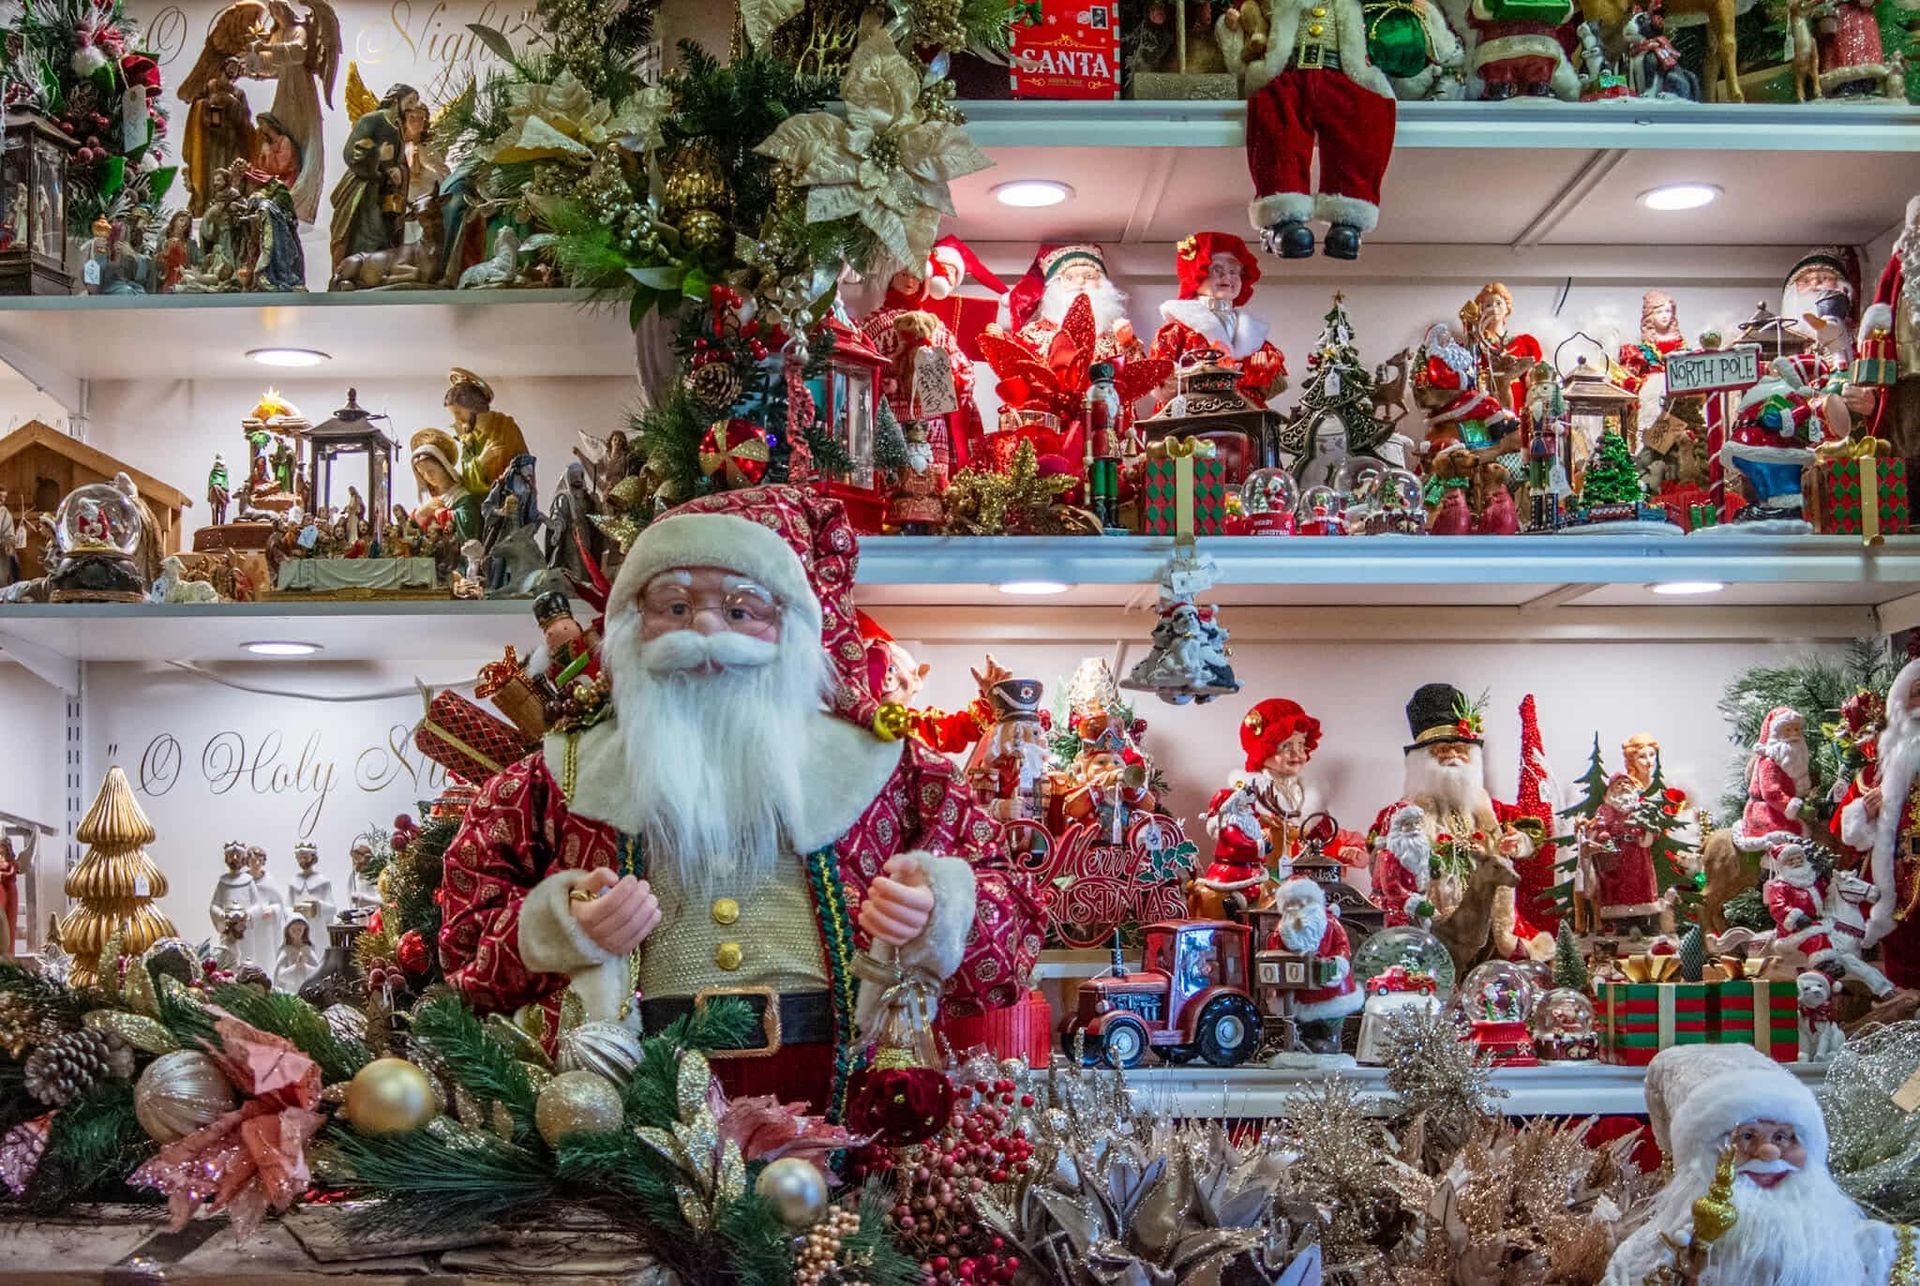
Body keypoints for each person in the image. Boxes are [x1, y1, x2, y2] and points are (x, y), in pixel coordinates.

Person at [437, 486, 1043, 1114]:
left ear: (793, 627)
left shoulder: (890, 765)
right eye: (673, 605)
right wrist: (562, 928)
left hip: (850, 1114)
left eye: (741, 609)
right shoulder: (558, 774)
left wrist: (935, 913)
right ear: (629, 627)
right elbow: (463, 940)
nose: (703, 628)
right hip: (629, 1122)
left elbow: (1016, 916)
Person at [1602, 1044, 1904, 1285]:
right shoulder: (1647, 1259)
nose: (1770, 1152)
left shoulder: (1876, 1251)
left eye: (1784, 1137)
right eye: (1747, 1137)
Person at [1840, 657, 1920, 988]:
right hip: (1898, 887)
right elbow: (1843, 833)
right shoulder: (1874, 775)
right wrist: (1864, 813)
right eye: (1916, 694)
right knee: (1903, 965)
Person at [1149, 231, 1289, 406]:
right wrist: (1202, 373)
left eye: (1234, 271)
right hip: (1194, 421)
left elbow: (1276, 385)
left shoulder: (1253, 334)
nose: (1227, 277)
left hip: (1247, 419)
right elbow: (1158, 382)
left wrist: (1262, 372)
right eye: (1217, 269)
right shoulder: (1177, 330)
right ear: (1197, 273)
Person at [1266, 877, 1361, 1054]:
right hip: (1298, 988)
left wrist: (1337, 963)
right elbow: (1274, 949)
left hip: (1331, 987)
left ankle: (1332, 1040)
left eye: (1305, 901)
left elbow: (1342, 946)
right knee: (1303, 1022)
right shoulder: (1282, 930)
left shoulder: (1331, 923)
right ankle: (1306, 1042)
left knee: (1331, 1019)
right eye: (1295, 903)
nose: (1301, 907)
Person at [1004, 243, 1144, 363]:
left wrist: (1128, 343)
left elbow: (1138, 376)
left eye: (1089, 276)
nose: (1080, 282)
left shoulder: (1117, 335)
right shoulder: (1033, 335)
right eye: (1070, 277)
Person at [329, 82, 416, 270]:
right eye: (410, 101)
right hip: (363, 190)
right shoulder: (372, 120)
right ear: (395, 99)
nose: (412, 107)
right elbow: (350, 153)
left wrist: (398, 171)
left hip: (384, 193)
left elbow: (399, 162)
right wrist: (377, 155)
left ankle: (372, 275)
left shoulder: (398, 129)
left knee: (384, 237)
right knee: (365, 234)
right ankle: (351, 274)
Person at [1736, 706, 1813, 852]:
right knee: (1786, 840)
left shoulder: (1795, 759)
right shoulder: (1769, 761)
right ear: (1776, 734)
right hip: (1766, 812)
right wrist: (1796, 807)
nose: (1794, 735)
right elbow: (1771, 793)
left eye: (1797, 730)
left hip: (1783, 811)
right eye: (1788, 730)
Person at [274, 914, 321, 993]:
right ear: (288, 931)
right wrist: (295, 967)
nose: (297, 933)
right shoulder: (285, 951)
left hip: (307, 990)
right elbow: (280, 975)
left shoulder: (308, 950)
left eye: (299, 929)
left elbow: (317, 973)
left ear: (304, 930)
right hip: (290, 991)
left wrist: (304, 966)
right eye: (293, 930)